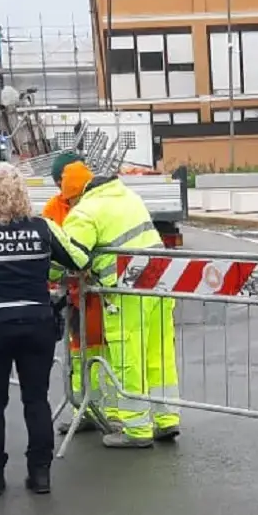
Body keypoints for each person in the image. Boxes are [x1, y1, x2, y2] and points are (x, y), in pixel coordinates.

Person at [0, 163, 82, 496]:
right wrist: (44, 264)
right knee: (36, 400)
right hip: (36, 323)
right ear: (23, 194)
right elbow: (78, 259)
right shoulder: (44, 228)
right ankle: (40, 475)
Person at [57, 162, 179, 449]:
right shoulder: (128, 197)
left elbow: (70, 257)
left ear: (74, 196)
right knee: (159, 357)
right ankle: (166, 419)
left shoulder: (84, 213)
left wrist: (49, 273)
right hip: (159, 287)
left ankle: (136, 429)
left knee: (128, 358)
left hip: (125, 293)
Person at [42, 156, 109, 435]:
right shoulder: (53, 208)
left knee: (107, 351)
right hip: (74, 294)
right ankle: (82, 410)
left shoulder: (94, 204)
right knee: (79, 352)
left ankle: (109, 412)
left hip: (100, 291)